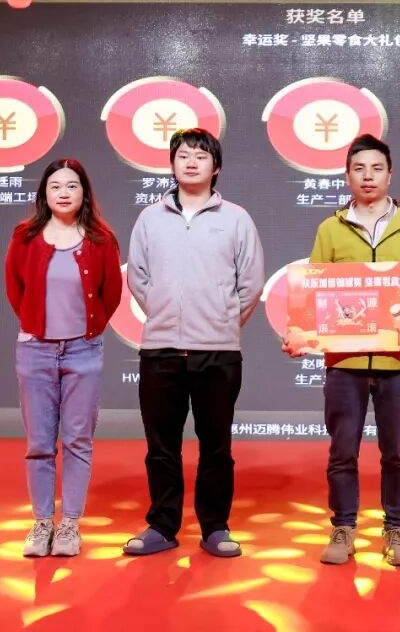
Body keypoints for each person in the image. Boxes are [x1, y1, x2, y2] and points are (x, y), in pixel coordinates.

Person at [284, 133, 400, 567]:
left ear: (390, 175)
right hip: (345, 362)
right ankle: (343, 527)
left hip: (399, 360)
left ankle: (395, 528)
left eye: (376, 168)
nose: (368, 176)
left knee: (398, 452)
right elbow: (314, 293)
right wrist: (300, 333)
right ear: (347, 176)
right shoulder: (330, 228)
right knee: (342, 451)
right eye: (359, 169)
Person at [123, 128, 265, 558]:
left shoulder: (236, 218)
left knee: (216, 446)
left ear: (215, 167)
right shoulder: (150, 218)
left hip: (218, 351)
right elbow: (139, 277)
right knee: (161, 447)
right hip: (160, 349)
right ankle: (162, 526)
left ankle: (215, 527)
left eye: (200, 156)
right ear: (172, 164)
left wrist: (222, 321)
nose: (190, 162)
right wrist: (164, 311)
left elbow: (251, 282)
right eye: (183, 155)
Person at [4, 158, 122, 557]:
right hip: (35, 349)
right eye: (55, 186)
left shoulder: (101, 239)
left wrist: (90, 330)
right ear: (44, 194)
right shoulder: (25, 236)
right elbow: (15, 288)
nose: (64, 192)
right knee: (39, 443)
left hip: (83, 351)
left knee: (77, 441)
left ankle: (70, 524)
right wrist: (37, 325)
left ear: (84, 192)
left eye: (72, 185)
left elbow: (111, 293)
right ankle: (42, 524)